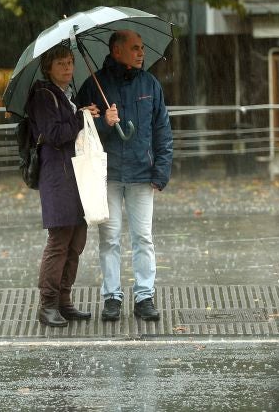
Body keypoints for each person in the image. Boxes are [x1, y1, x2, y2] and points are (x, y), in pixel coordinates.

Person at [75, 29, 172, 322]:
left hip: (142, 175)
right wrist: (103, 122)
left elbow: (162, 130)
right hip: (109, 175)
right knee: (110, 238)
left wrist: (161, 170)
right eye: (135, 48)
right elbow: (82, 134)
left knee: (143, 237)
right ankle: (112, 297)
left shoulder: (150, 84)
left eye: (142, 48)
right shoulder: (94, 86)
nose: (141, 53)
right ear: (117, 51)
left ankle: (145, 296)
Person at [26, 43, 100, 327]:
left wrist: (80, 112)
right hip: (57, 176)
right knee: (59, 240)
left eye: (70, 63)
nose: (68, 68)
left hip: (76, 174)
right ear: (49, 68)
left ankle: (64, 300)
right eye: (61, 64)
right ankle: (47, 304)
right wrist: (80, 117)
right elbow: (55, 134)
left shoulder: (68, 95)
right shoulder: (43, 96)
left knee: (76, 240)